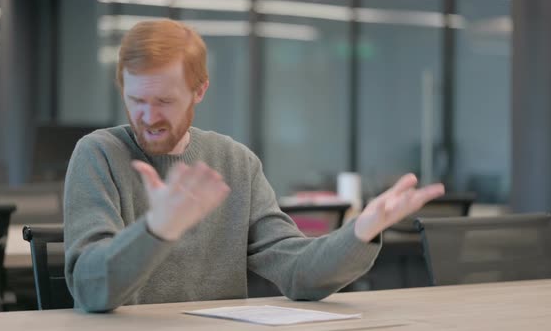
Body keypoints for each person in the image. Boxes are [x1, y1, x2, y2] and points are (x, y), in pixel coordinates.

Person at [63, 19, 445, 313]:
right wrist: (157, 229)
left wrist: (361, 231)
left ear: (200, 90)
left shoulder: (235, 162)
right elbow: (91, 289)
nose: (148, 116)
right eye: (136, 100)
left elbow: (298, 273)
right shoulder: (98, 155)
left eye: (164, 100)